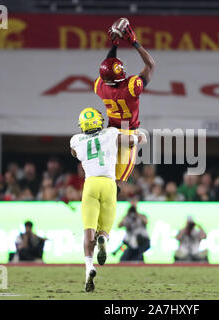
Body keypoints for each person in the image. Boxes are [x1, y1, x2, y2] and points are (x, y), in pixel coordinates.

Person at [70, 107, 144, 292]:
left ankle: (89, 267)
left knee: (88, 228)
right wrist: (141, 136)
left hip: (91, 184)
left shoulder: (76, 140)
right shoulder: (110, 134)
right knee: (104, 229)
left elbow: (74, 153)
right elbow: (133, 141)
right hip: (109, 184)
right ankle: (103, 239)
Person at [94, 21, 155, 184]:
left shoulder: (100, 87)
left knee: (106, 177)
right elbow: (150, 65)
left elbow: (107, 68)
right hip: (128, 134)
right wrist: (134, 42)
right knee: (118, 182)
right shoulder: (131, 87)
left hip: (110, 133)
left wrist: (114, 45)